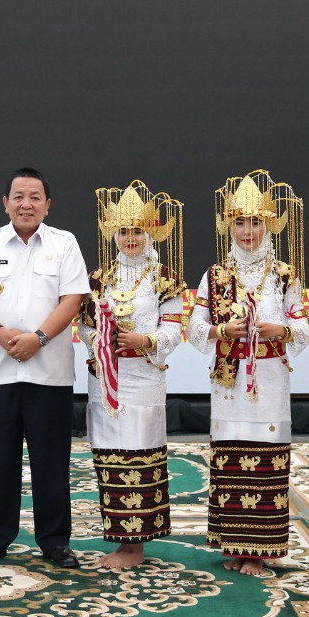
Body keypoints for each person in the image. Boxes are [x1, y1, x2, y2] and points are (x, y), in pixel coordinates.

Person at [0, 167, 90, 568]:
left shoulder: (65, 244)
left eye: (34, 197)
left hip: (49, 373)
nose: (26, 204)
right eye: (18, 196)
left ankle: (55, 542)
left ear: (47, 205)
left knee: (52, 461)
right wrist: (0, 334)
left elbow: (72, 299)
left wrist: (39, 338)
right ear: (5, 203)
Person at [186, 170, 309, 576]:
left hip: (270, 378)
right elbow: (194, 328)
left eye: (255, 222)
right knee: (230, 457)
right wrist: (223, 330)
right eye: (240, 222)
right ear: (229, 226)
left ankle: (258, 551)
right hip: (229, 380)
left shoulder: (284, 274)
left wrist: (282, 330)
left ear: (269, 224)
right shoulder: (215, 275)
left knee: (266, 457)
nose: (247, 231)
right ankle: (234, 544)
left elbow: (305, 328)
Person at [77, 180, 186, 569]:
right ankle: (120, 540)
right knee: (109, 457)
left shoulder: (165, 277)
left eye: (137, 231)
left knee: (139, 455)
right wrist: (100, 341)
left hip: (143, 381)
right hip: (105, 380)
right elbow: (84, 329)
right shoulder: (98, 278)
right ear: (113, 234)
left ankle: (136, 547)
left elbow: (173, 331)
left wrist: (144, 339)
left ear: (151, 232)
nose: (130, 239)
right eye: (123, 231)